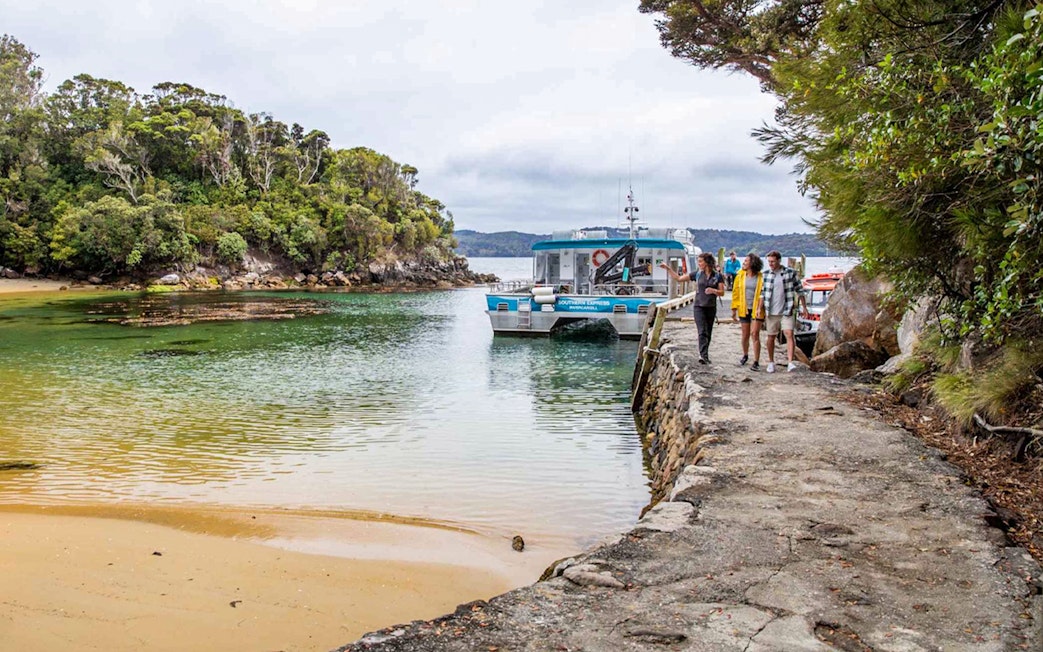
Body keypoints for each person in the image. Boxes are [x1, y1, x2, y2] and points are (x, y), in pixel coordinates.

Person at [660, 252, 725, 364]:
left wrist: (713, 290)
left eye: (700, 261)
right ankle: (702, 356)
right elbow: (679, 279)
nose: (699, 264)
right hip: (699, 306)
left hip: (711, 307)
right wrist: (668, 269)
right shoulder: (697, 274)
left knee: (708, 332)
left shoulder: (718, 276)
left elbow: (722, 292)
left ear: (707, 262)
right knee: (702, 331)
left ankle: (705, 354)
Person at [755, 250, 809, 373]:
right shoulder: (766, 274)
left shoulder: (790, 273)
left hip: (787, 309)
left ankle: (790, 362)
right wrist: (759, 308)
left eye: (773, 261)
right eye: (769, 262)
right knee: (771, 337)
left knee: (789, 334)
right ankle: (771, 362)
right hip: (771, 311)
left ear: (779, 260)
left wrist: (804, 307)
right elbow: (762, 294)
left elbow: (800, 291)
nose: (771, 264)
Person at [730, 253, 764, 370]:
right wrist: (734, 309)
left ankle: (756, 360)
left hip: (757, 309)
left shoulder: (760, 277)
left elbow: (762, 294)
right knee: (745, 334)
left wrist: (760, 307)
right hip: (744, 308)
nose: (744, 263)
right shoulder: (740, 275)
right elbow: (735, 293)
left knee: (755, 334)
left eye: (746, 261)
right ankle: (745, 355)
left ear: (752, 263)